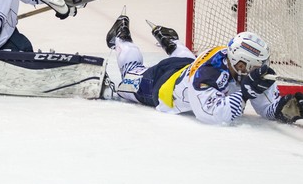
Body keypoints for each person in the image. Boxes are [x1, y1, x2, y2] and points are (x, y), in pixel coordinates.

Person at [106, 10, 303, 125]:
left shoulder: (239, 65)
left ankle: (171, 42)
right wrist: (244, 94)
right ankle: (120, 38)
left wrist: (288, 107)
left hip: (186, 66)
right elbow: (212, 115)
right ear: (241, 64)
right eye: (257, 66)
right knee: (129, 77)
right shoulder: (207, 75)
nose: (262, 70)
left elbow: (266, 107)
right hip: (161, 83)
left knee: (186, 60)